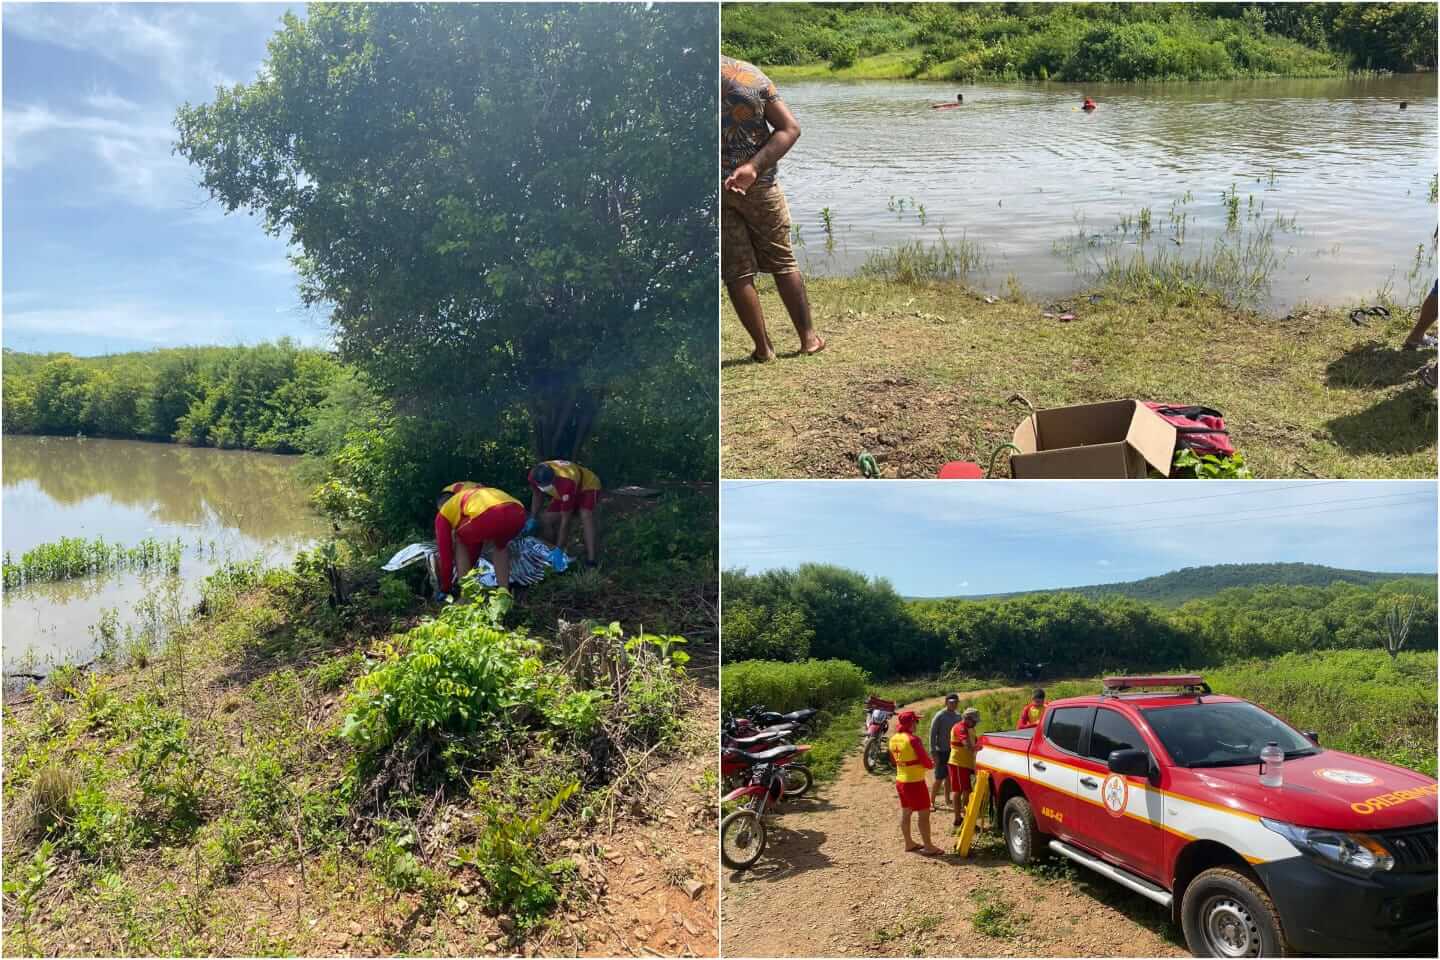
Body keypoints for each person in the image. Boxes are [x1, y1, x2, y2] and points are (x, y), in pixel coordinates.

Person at [721, 55, 825, 363]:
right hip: (759, 185)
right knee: (782, 260)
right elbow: (790, 129)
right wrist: (753, 167)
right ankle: (809, 340)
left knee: (736, 272)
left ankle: (763, 349)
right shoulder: (750, 77)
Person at [434, 483, 526, 599]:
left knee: (459, 538)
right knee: (500, 546)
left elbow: (445, 555)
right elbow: (475, 546)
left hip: (490, 514)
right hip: (518, 512)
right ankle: (504, 593)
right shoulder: (471, 495)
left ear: (441, 506)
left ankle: (466, 596)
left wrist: (445, 588)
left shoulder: (444, 512)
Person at [888, 710, 944, 855]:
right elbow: (927, 763)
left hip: (900, 780)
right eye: (916, 721)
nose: (917, 724)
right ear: (911, 723)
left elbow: (894, 761)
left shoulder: (893, 738)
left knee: (906, 812)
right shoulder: (913, 740)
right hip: (914, 782)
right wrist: (933, 763)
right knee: (924, 814)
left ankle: (909, 843)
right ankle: (928, 846)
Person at [526, 460, 602, 566]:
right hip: (562, 493)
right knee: (545, 519)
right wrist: (532, 518)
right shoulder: (533, 475)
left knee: (586, 515)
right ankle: (550, 552)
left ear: (553, 479)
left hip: (587, 487)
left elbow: (566, 520)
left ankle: (591, 559)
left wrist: (559, 549)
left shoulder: (565, 483)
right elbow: (537, 495)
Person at [928, 694, 963, 808]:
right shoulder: (940, 716)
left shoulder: (958, 716)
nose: (953, 704)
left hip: (953, 751)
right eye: (951, 702)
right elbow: (932, 735)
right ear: (946, 702)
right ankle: (931, 802)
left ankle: (948, 800)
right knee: (939, 778)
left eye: (955, 702)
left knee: (949, 777)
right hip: (941, 751)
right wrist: (933, 752)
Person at [948, 707, 980, 827]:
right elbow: (967, 744)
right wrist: (979, 748)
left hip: (967, 763)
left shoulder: (970, 728)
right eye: (974, 720)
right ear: (967, 719)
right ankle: (958, 818)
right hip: (958, 763)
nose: (976, 723)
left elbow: (974, 741)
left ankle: (966, 817)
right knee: (960, 791)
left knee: (967, 791)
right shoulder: (960, 727)